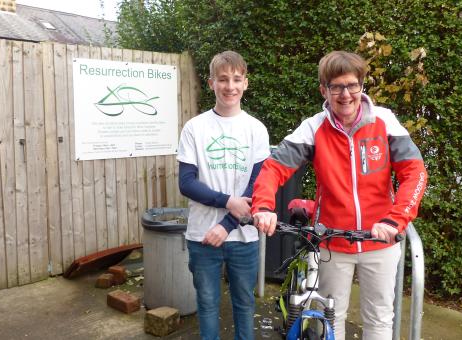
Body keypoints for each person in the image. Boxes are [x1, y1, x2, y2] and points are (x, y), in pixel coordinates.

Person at [251, 51, 427, 340]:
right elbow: (273, 168)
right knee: (330, 318)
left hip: (379, 239)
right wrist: (264, 206)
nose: (345, 94)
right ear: (324, 90)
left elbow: (415, 172)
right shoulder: (314, 127)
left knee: (380, 318)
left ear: (362, 86)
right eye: (336, 87)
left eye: (352, 85)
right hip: (332, 242)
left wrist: (396, 220)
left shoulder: (384, 121)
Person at [177, 50, 270, 340]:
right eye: (223, 79)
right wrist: (228, 201)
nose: (230, 86)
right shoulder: (194, 128)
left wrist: (226, 224)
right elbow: (187, 183)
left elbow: (258, 187)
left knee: (244, 304)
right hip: (202, 236)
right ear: (211, 84)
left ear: (246, 84)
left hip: (244, 237)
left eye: (236, 79)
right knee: (206, 304)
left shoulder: (256, 129)